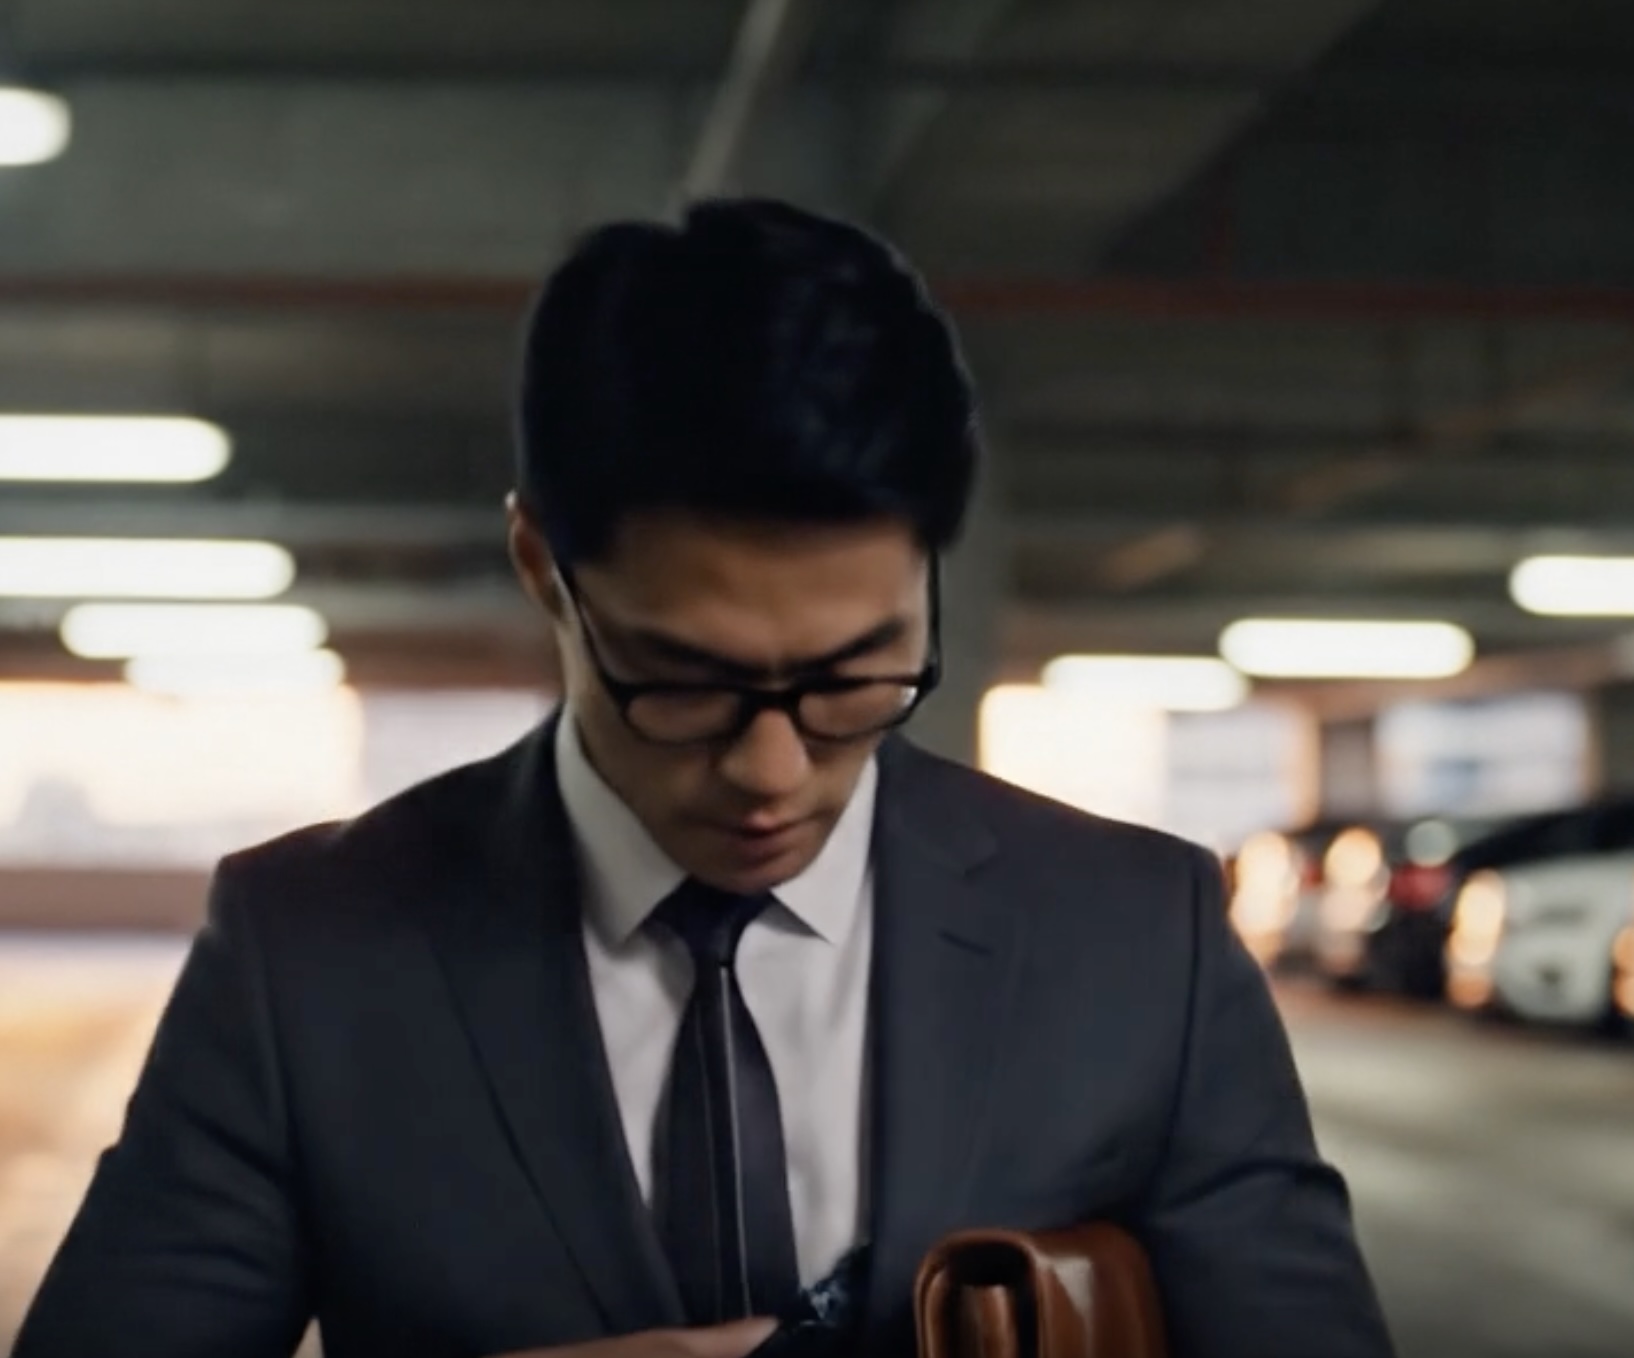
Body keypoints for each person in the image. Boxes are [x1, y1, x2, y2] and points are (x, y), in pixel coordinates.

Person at [13, 199, 1395, 1358]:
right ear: (543, 567)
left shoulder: (1137, 938)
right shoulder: (307, 951)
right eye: (683, 682)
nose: (770, 771)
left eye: (855, 675)